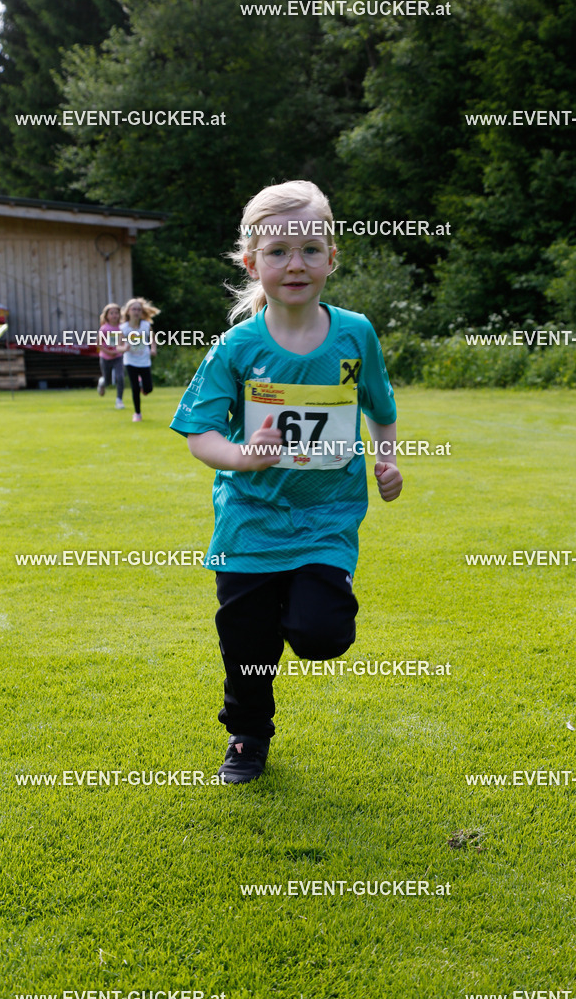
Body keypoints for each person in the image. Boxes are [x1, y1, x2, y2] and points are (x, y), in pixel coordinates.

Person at [170, 180, 403, 784]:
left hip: (328, 518)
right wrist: (246, 456)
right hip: (250, 522)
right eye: (277, 251)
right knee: (246, 646)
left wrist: (388, 460)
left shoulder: (357, 334)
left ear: (332, 257)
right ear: (252, 262)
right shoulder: (236, 348)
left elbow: (379, 403)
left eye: (310, 249)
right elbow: (200, 434)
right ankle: (247, 736)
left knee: (321, 635)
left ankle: (297, 606)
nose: (294, 263)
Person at [120, 297, 159, 422]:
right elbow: (118, 346)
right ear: (128, 311)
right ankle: (137, 414)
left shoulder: (146, 325)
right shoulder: (123, 328)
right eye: (134, 309)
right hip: (130, 361)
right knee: (135, 388)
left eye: (138, 309)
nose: (136, 312)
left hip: (144, 360)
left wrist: (153, 349)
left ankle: (143, 384)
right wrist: (124, 348)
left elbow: (152, 339)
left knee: (149, 389)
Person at [97, 303, 126, 408]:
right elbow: (98, 343)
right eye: (112, 313)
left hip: (118, 357)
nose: (114, 315)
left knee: (120, 377)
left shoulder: (122, 327)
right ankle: (102, 382)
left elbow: (125, 340)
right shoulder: (104, 329)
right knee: (108, 380)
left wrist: (122, 349)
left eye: (116, 313)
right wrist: (108, 352)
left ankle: (119, 400)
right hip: (106, 357)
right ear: (107, 316)